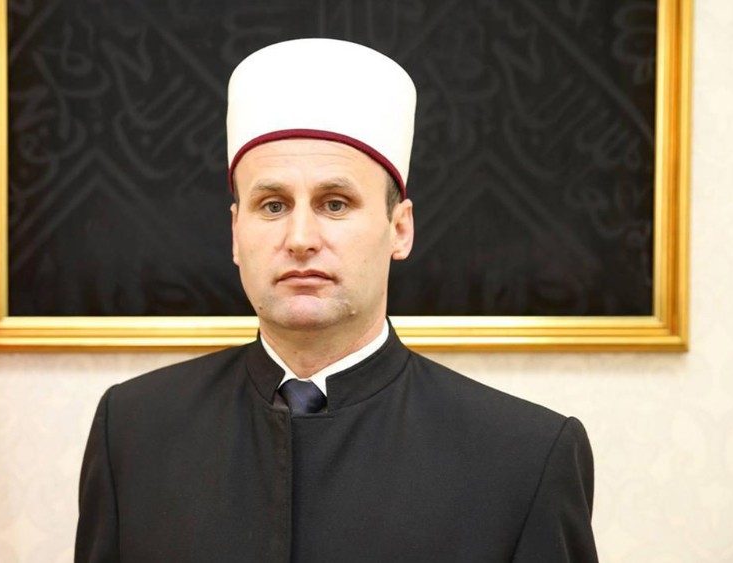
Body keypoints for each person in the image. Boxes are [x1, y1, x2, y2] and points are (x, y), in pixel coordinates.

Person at [76, 38, 598, 562]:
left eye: (335, 203)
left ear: (399, 229)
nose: (301, 238)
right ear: (236, 233)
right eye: (273, 205)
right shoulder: (133, 431)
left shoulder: (525, 457)